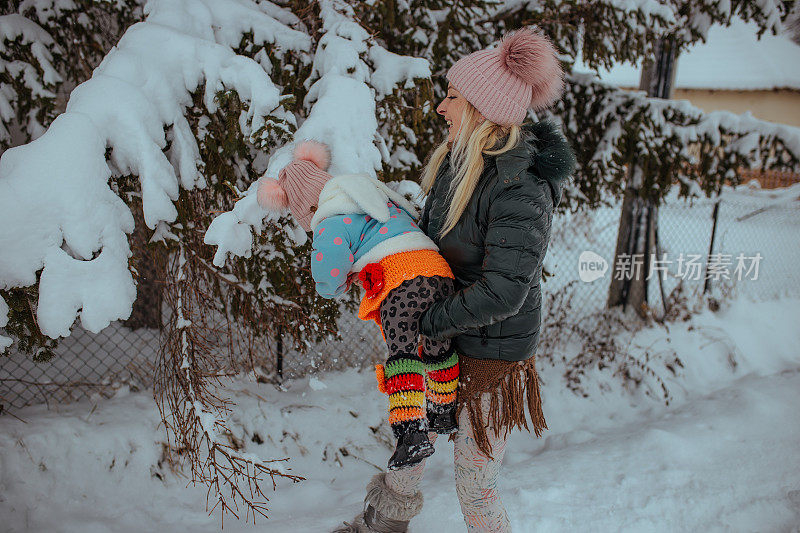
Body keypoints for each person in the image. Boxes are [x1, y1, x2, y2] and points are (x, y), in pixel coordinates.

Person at [335, 26, 576, 532]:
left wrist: (429, 321)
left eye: (452, 97)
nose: (442, 108)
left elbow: (505, 290)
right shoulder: (459, 163)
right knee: (410, 448)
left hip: (491, 354)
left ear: (482, 108)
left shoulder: (520, 184)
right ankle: (380, 528)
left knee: (475, 481)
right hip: (445, 335)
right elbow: (434, 247)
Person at [257, 141, 461, 471]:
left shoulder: (330, 216)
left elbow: (328, 268)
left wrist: (336, 283)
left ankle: (411, 434)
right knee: (437, 342)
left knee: (403, 353)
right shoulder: (368, 195)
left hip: (401, 280)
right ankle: (444, 411)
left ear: (305, 210)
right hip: (438, 270)